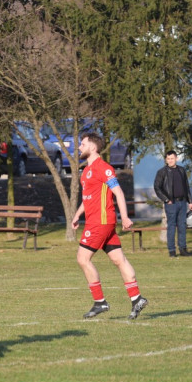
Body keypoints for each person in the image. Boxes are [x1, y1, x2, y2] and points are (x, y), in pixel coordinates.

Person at [71, 132, 148, 320]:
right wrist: (77, 214)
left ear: (93, 147)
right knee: (118, 259)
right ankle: (136, 298)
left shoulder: (103, 168)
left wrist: (125, 218)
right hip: (96, 221)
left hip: (101, 221)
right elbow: (88, 198)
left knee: (83, 258)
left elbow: (119, 192)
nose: (79, 147)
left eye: (83, 144)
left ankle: (100, 302)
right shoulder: (86, 171)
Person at [153, 150, 192, 257]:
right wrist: (166, 200)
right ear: (166, 160)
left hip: (182, 202)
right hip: (171, 203)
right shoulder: (162, 172)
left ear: (176, 158)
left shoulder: (182, 170)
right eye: (168, 159)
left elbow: (186, 187)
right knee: (171, 226)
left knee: (182, 226)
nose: (170, 160)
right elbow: (157, 188)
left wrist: (190, 201)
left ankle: (183, 249)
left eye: (172, 158)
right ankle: (172, 251)